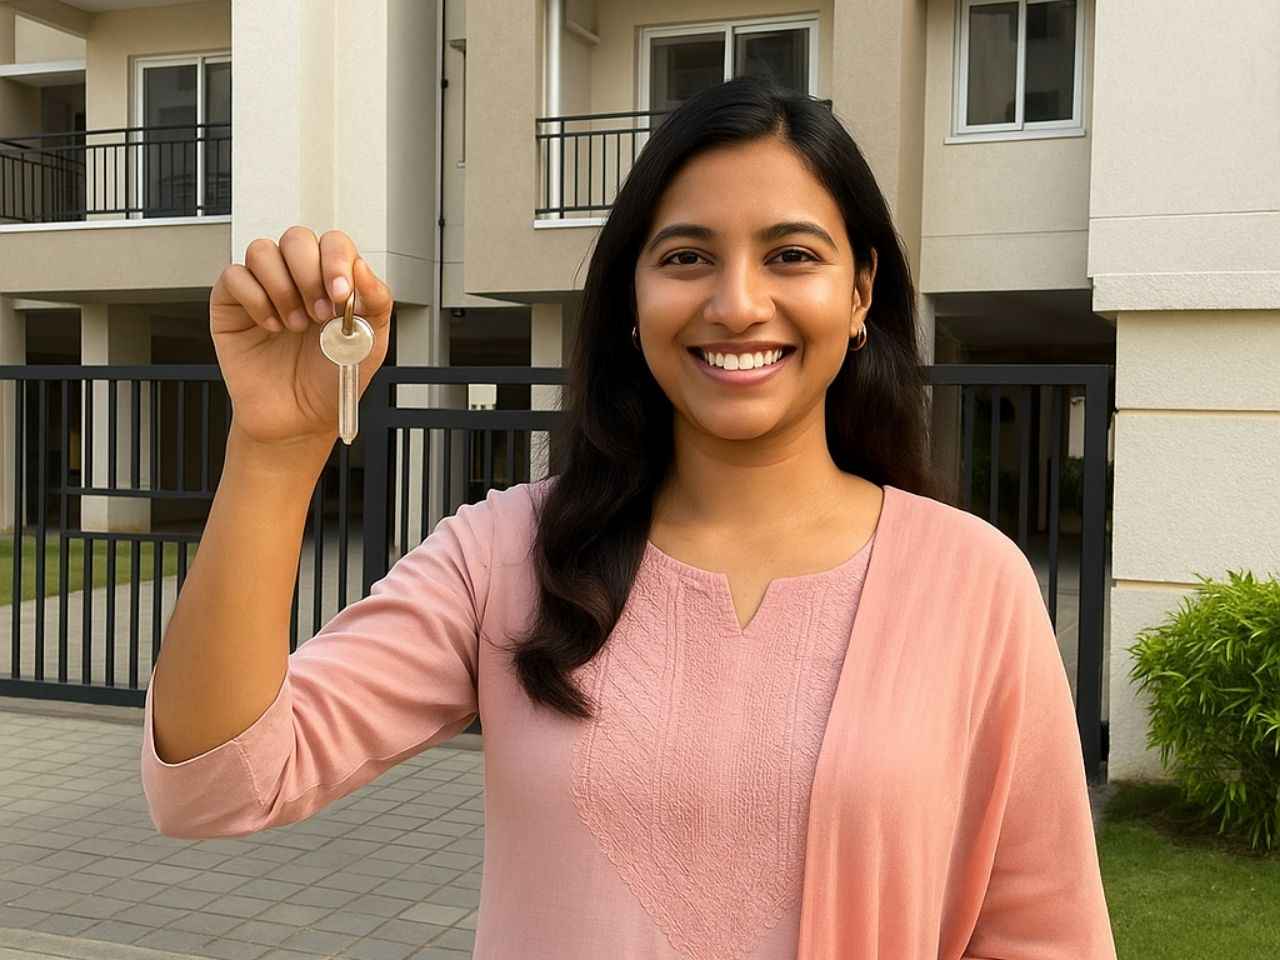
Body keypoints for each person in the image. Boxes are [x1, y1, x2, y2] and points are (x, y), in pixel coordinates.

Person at [141, 76, 1117, 959]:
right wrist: (276, 447)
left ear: (858, 291)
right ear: (630, 298)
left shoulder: (970, 583)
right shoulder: (503, 558)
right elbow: (218, 782)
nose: (737, 304)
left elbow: (1042, 935)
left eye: (790, 254)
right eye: (687, 255)